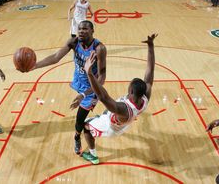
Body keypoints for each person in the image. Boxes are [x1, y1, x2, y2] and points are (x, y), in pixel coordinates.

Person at [32, 20, 107, 154]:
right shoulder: (73, 42)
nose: (81, 32)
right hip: (78, 80)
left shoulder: (99, 49)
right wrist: (35, 66)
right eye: (79, 29)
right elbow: (55, 57)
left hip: (91, 89)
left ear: (92, 31)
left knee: (79, 119)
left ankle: (77, 137)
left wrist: (84, 94)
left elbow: (101, 78)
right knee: (79, 115)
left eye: (85, 29)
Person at [81, 34, 157, 164]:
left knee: (85, 126)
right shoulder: (145, 97)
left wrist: (89, 73)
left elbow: (103, 97)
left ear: (131, 91)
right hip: (122, 124)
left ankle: (93, 155)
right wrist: (151, 46)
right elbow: (150, 71)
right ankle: (105, 119)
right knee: (106, 113)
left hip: (110, 127)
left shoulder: (123, 108)